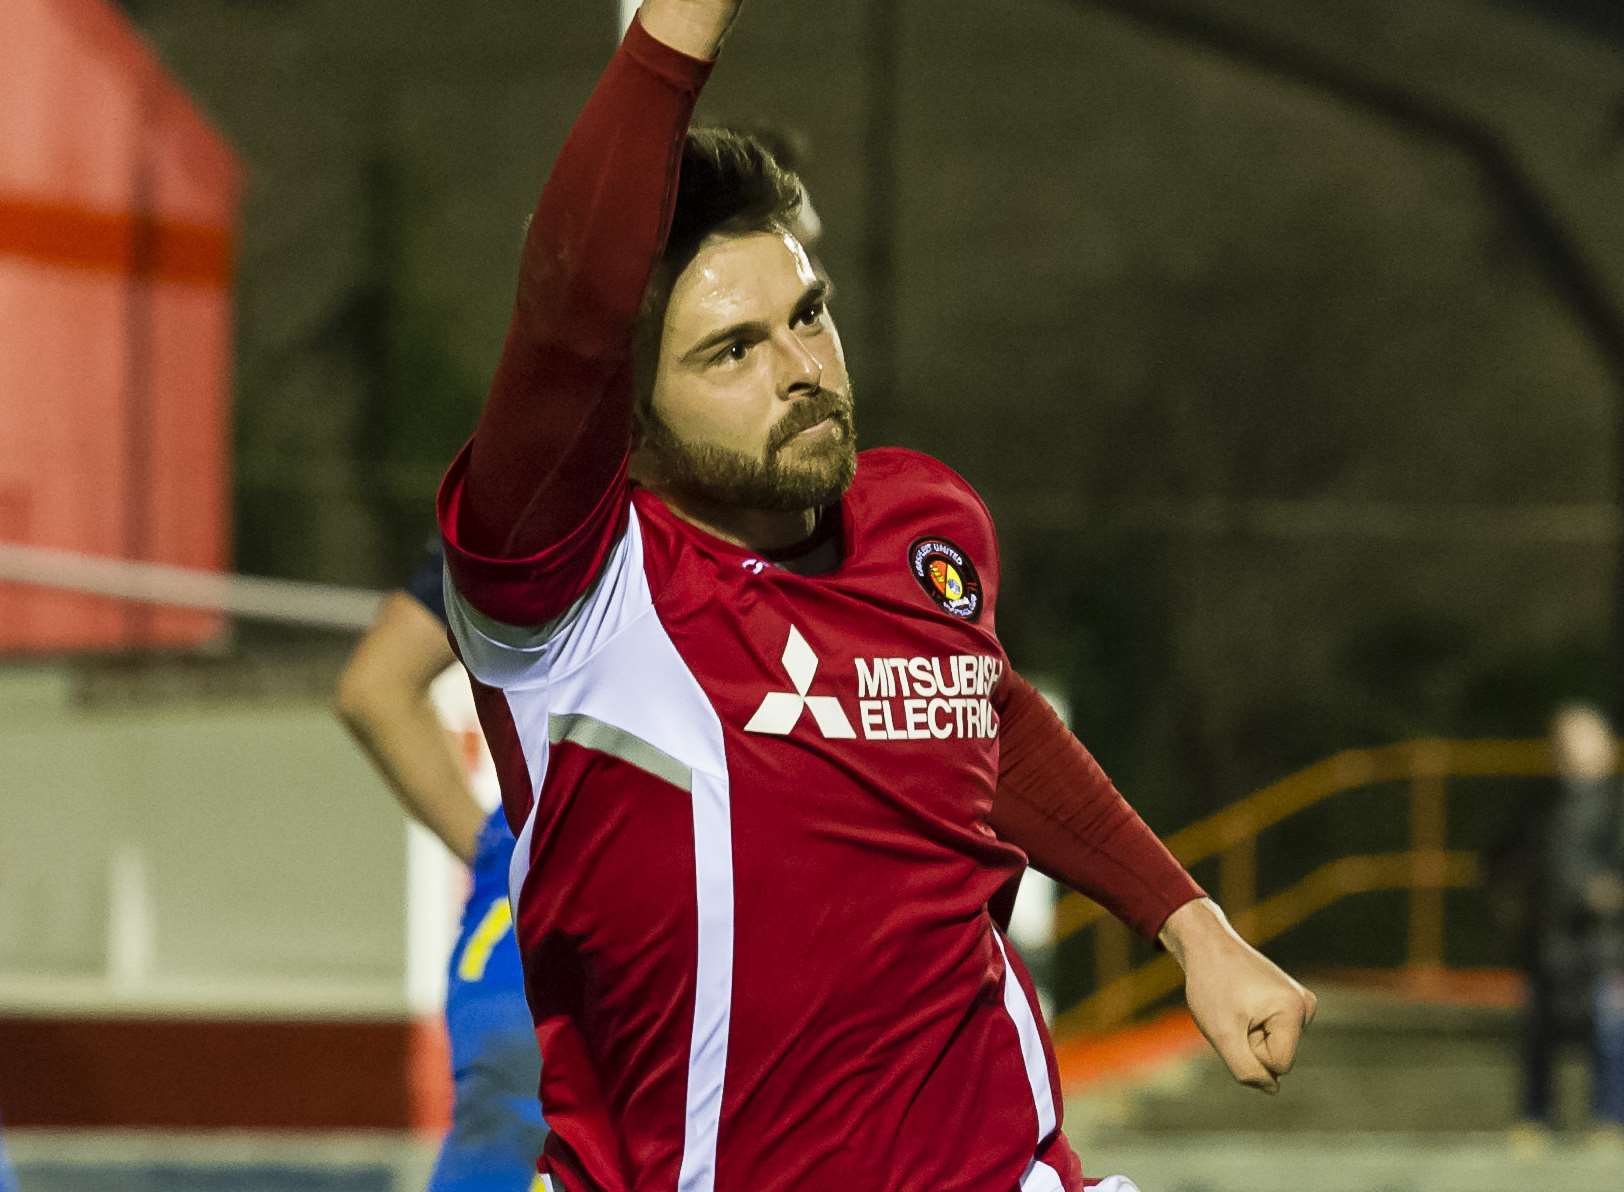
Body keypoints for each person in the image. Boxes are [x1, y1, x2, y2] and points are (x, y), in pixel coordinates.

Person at [435, 3, 1316, 1188]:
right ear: (627, 430)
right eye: (730, 351)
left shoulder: (922, 526)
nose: (800, 369)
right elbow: (569, 314)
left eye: (807, 315)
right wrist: (678, 31)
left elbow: (980, 711)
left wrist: (1187, 923)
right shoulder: (570, 599)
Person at [336, 539, 549, 1191]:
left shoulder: (531, 513)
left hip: (522, 911)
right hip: (632, 911)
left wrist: (503, 855)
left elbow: (375, 689)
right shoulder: (741, 525)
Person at [1515, 702, 1624, 1140]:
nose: (1572, 747)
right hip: (1549, 939)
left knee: (1611, 1030)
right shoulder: (1540, 804)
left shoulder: (1617, 805)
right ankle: (1534, 1119)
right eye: (1565, 737)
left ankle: (1611, 1121)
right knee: (1537, 1030)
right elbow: (1512, 861)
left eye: (1583, 736)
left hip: (1607, 943)